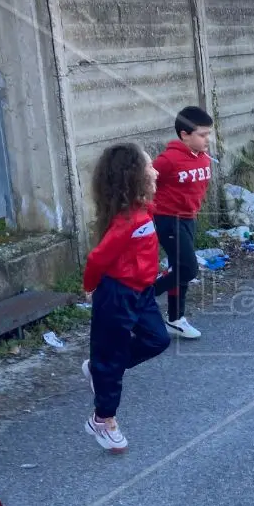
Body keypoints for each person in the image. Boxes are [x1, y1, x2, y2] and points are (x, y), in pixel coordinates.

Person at [81, 144, 171, 453]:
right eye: (149, 168)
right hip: (116, 296)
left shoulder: (144, 210)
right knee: (111, 358)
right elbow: (96, 259)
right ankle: (102, 420)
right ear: (133, 178)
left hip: (142, 292)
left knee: (158, 339)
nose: (155, 171)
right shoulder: (125, 222)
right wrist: (90, 286)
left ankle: (100, 369)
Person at [152, 106, 215, 340]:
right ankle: (141, 299)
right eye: (202, 134)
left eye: (208, 134)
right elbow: (146, 185)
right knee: (188, 268)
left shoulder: (203, 157)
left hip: (189, 219)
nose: (207, 139)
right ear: (184, 134)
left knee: (179, 269)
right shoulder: (167, 160)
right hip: (168, 220)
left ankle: (176, 318)